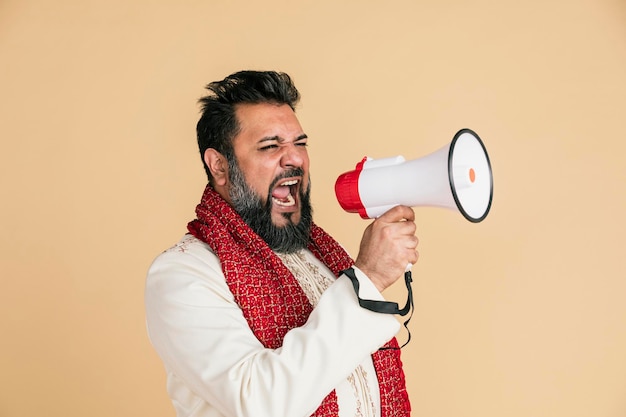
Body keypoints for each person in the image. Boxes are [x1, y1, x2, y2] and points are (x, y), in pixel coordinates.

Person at [145, 70, 419, 417]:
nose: (295, 159)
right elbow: (261, 404)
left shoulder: (316, 254)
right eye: (271, 146)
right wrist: (368, 280)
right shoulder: (182, 274)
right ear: (219, 165)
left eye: (300, 144)